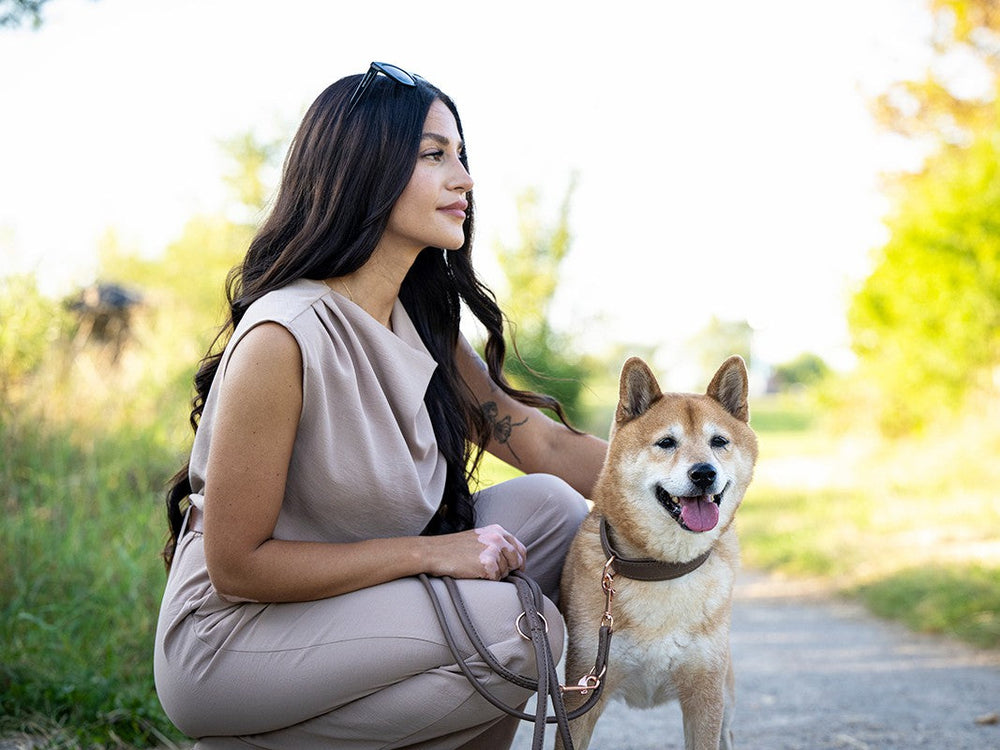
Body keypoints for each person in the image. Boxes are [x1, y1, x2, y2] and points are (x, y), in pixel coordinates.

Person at [153, 62, 608, 749]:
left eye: (461, 155)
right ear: (364, 170)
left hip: (355, 609)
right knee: (523, 630)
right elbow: (239, 567)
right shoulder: (287, 336)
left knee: (553, 515)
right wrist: (434, 554)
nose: (464, 179)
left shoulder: (420, 320)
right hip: (235, 641)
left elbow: (539, 446)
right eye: (434, 156)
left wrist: (688, 491)